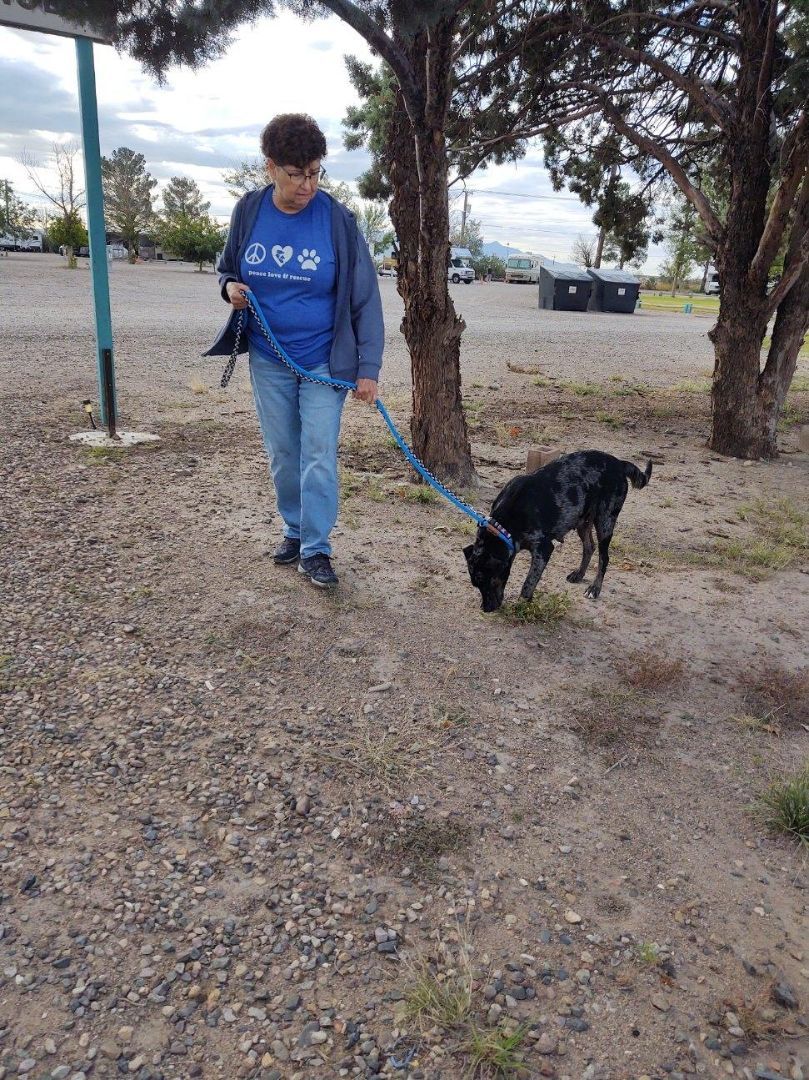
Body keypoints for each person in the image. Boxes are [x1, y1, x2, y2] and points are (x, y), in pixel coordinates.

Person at [205, 114, 384, 588]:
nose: (307, 184)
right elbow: (226, 268)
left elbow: (365, 298)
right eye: (296, 173)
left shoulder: (339, 221)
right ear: (270, 168)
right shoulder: (248, 210)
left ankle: (317, 548)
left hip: (325, 360)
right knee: (284, 452)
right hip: (269, 357)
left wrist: (368, 367)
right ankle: (294, 528)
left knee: (319, 452)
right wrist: (229, 289)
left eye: (315, 172)